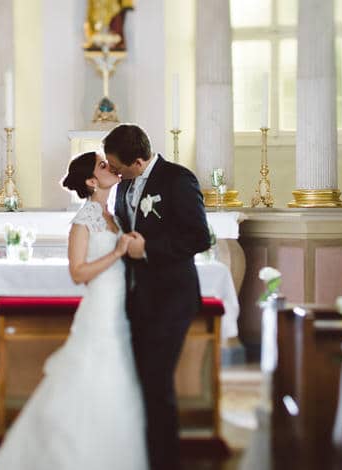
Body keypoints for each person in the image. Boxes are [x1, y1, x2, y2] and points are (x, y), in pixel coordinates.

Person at [0, 151, 148, 470]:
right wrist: (117, 252)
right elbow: (77, 273)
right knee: (93, 377)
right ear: (91, 181)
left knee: (119, 385)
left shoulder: (113, 215)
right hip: (100, 309)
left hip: (122, 310)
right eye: (103, 165)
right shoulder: (83, 219)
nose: (110, 167)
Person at [104, 123, 211, 470]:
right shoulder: (123, 187)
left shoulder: (178, 179)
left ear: (137, 161)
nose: (115, 174)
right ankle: (141, 455)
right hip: (137, 300)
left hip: (171, 297)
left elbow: (199, 238)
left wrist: (148, 248)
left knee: (157, 381)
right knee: (141, 382)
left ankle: (165, 461)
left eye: (118, 167)